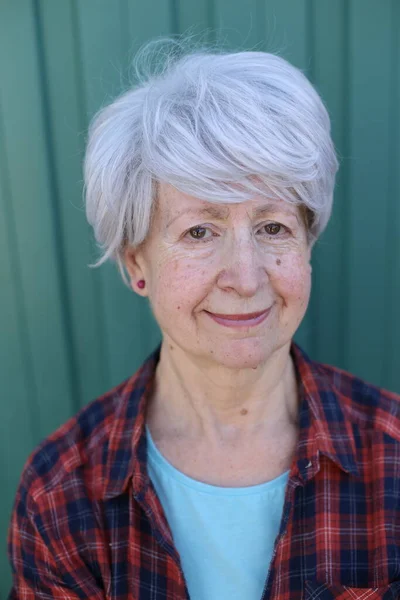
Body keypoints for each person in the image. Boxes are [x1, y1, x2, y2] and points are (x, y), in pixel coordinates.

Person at [7, 37, 400, 600]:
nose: (245, 276)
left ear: (307, 244)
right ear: (136, 262)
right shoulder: (62, 492)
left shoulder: (393, 455)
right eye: (199, 231)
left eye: (273, 228)